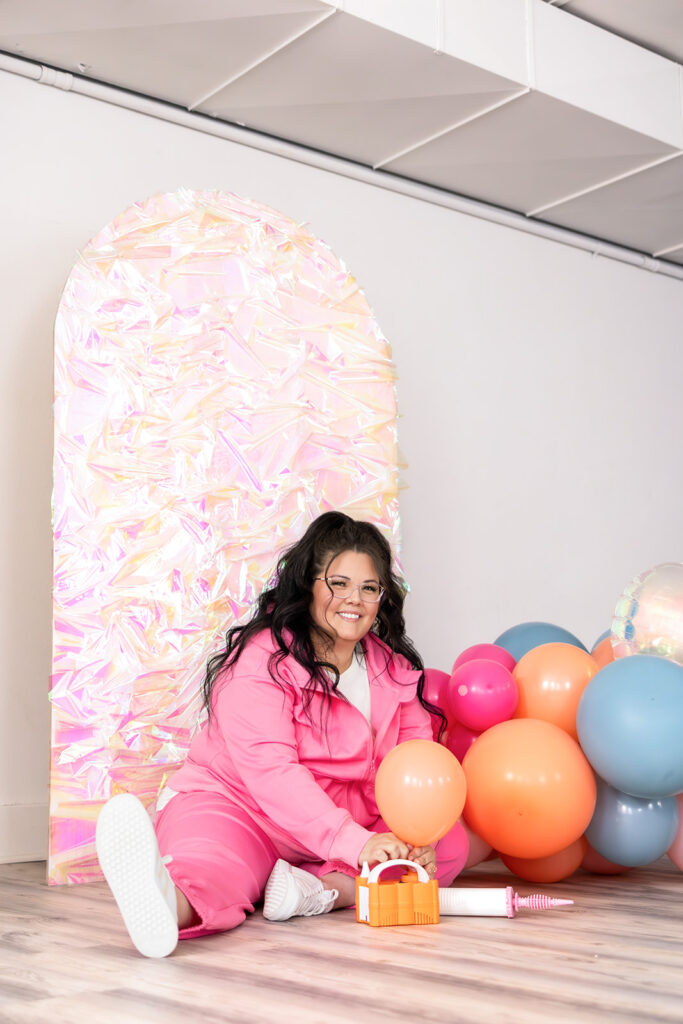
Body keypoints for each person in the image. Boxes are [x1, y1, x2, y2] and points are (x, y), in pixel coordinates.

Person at [96, 511, 468, 958]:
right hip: (241, 809)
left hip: (339, 828)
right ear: (308, 585)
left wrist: (413, 839)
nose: (354, 600)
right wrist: (360, 845)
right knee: (215, 866)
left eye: (369, 588)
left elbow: (415, 766)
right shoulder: (261, 662)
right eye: (339, 584)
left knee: (448, 846)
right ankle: (168, 904)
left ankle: (319, 889)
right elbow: (273, 775)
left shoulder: (395, 671)